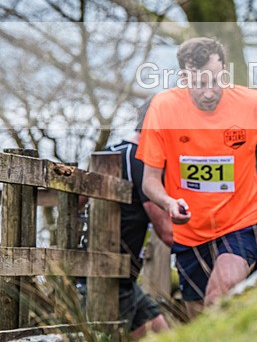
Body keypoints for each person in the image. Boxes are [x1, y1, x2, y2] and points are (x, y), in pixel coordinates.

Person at [137, 37, 257, 316]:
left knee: (218, 297)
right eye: (199, 84)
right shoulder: (163, 108)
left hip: (242, 221)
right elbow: (149, 181)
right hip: (190, 232)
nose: (209, 92)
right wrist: (168, 203)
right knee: (200, 317)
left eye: (216, 81)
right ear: (183, 77)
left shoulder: (251, 102)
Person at [100, 98, 173, 339]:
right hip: (109, 275)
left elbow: (76, 205)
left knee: (162, 332)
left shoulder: (110, 152)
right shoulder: (142, 162)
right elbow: (168, 233)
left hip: (115, 273)